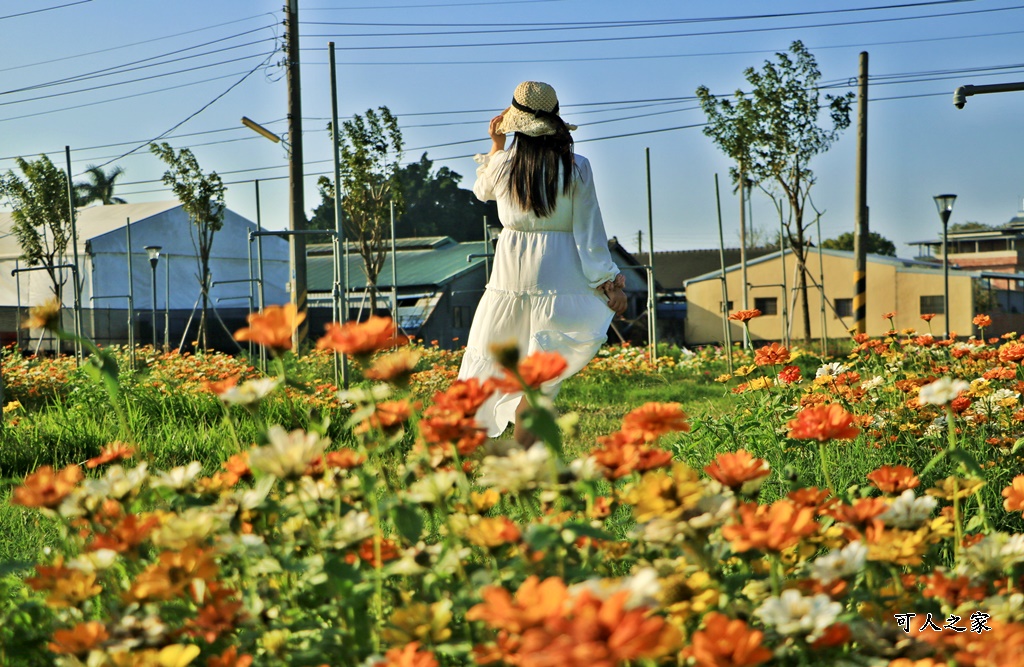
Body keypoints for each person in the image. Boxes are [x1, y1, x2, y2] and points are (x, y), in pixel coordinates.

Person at [457, 80, 628, 446]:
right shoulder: (577, 167)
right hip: (559, 268)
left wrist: (496, 144)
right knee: (539, 378)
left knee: (493, 358)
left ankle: (468, 450)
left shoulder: (503, 165)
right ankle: (524, 459)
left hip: (510, 268)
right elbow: (589, 229)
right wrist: (607, 280)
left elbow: (481, 191)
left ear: (515, 120)